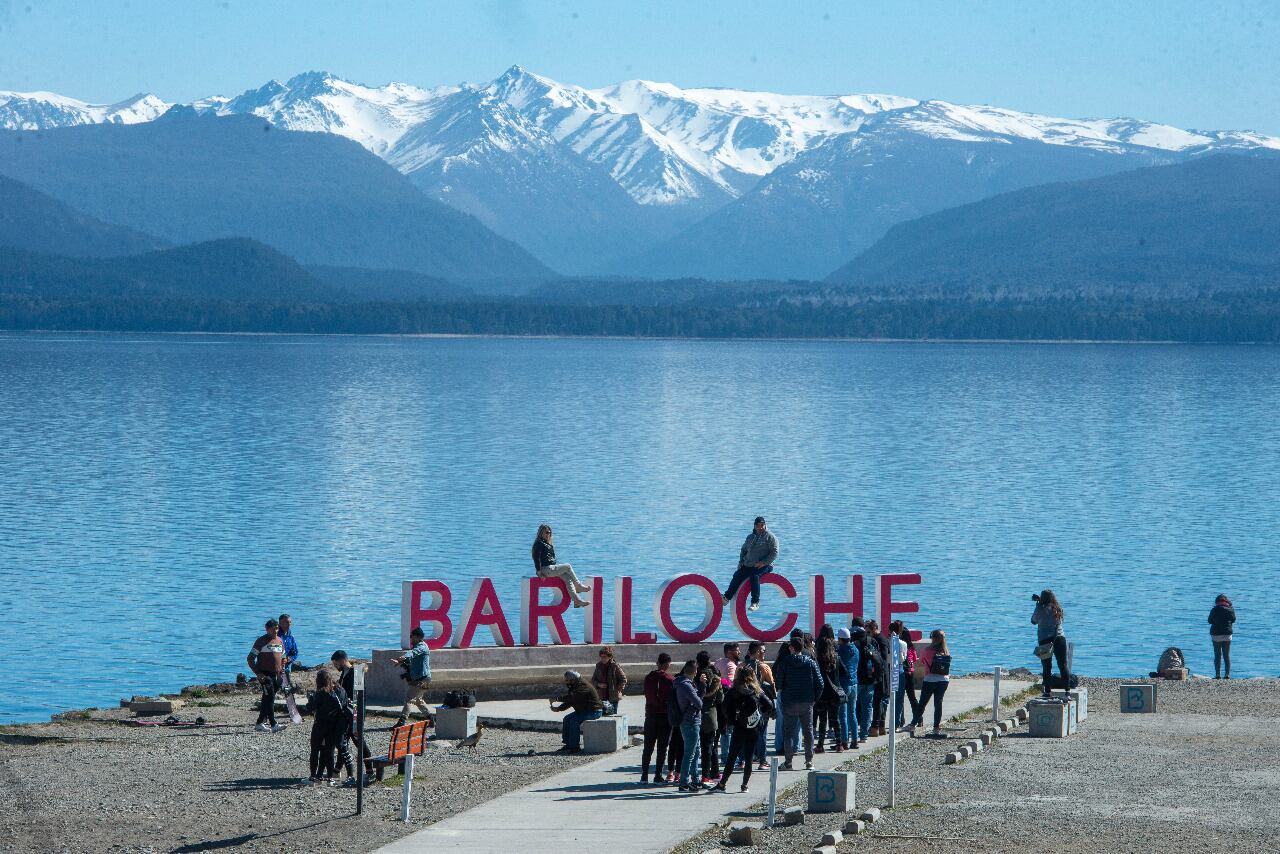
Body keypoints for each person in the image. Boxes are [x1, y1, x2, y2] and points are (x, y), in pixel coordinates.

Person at [714, 666, 774, 793]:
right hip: (754, 727)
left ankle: (722, 784)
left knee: (732, 756)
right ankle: (744, 785)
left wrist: (732, 720)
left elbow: (725, 707)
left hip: (739, 726)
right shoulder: (757, 690)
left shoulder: (734, 690)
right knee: (749, 757)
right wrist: (759, 714)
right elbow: (769, 704)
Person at [774, 635, 823, 771]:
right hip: (807, 701)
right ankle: (809, 761)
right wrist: (814, 699)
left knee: (788, 732)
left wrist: (782, 694)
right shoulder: (810, 662)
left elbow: (778, 683)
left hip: (789, 701)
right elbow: (820, 683)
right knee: (808, 732)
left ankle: (788, 762)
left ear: (791, 647)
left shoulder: (785, 662)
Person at [330, 650, 374, 783]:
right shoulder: (345, 673)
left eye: (335, 663)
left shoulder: (357, 672)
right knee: (344, 742)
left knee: (358, 742)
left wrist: (358, 716)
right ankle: (337, 770)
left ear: (342, 660)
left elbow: (360, 697)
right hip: (347, 714)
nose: (335, 666)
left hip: (355, 713)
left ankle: (370, 770)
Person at [722, 516, 779, 612]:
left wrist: (764, 562)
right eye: (758, 525)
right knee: (737, 575)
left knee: (754, 576)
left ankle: (755, 602)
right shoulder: (750, 537)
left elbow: (775, 552)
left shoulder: (770, 537)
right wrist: (741, 562)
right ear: (754, 526)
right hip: (748, 564)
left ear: (765, 525)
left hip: (765, 565)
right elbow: (743, 550)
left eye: (762, 525)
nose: (760, 527)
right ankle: (726, 598)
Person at [532, 524, 591, 608]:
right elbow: (536, 557)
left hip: (551, 568)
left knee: (568, 578)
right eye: (546, 532)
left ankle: (577, 601)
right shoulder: (539, 543)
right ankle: (578, 585)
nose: (548, 534)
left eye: (550, 532)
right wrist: (538, 571)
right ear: (541, 533)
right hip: (546, 569)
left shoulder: (547, 544)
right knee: (567, 566)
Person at [306, 668, 348, 784]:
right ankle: (330, 778)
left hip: (320, 724)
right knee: (329, 751)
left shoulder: (321, 692)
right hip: (334, 725)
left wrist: (310, 699)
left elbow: (310, 708)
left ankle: (313, 777)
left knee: (315, 750)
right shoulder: (340, 690)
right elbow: (344, 704)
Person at [247, 618, 288, 733]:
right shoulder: (261, 641)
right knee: (269, 698)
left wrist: (282, 668)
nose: (275, 631)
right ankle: (274, 724)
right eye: (272, 629)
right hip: (264, 675)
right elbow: (250, 659)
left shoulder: (280, 641)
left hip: (277, 675)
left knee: (267, 698)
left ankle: (259, 723)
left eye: (276, 628)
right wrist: (258, 673)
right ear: (266, 629)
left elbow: (283, 657)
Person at [741, 641, 776, 769]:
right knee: (762, 732)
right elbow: (772, 685)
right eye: (762, 651)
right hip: (761, 703)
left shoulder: (742, 666)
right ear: (757, 652)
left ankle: (744, 760)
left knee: (745, 731)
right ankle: (762, 761)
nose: (764, 653)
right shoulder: (764, 667)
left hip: (746, 703)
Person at [641, 653, 674, 784]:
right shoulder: (670, 680)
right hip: (664, 716)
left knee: (648, 746)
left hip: (650, 715)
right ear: (667, 665)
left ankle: (644, 775)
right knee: (662, 747)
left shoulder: (648, 677)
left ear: (657, 663)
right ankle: (658, 775)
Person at [1032, 590, 1071, 697]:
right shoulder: (1058, 608)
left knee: (1047, 666)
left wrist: (1037, 605)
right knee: (1063, 665)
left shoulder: (1040, 608)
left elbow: (1033, 621)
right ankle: (1067, 691)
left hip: (1045, 639)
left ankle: (1047, 692)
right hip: (1060, 638)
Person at [551, 670, 603, 752]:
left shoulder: (583, 686)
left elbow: (572, 697)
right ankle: (568, 744)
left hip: (594, 711)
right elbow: (571, 701)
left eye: (568, 680)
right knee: (567, 719)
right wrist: (558, 709)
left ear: (573, 679)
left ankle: (574, 746)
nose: (567, 682)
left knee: (574, 720)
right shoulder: (575, 686)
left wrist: (557, 699)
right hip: (584, 711)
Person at [913, 629, 951, 737]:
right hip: (943, 680)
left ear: (932, 638)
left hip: (930, 679)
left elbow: (921, 662)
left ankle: (912, 724)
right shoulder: (946, 651)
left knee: (922, 703)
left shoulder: (927, 650)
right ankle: (936, 728)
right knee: (938, 704)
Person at [772, 629, 804, 756]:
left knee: (781, 720)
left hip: (784, 690)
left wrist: (779, 687)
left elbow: (775, 669)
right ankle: (795, 746)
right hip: (801, 692)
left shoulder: (784, 652)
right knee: (797, 721)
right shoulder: (807, 653)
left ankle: (780, 746)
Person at [814, 636, 849, 752]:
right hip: (835, 693)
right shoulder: (836, 658)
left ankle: (820, 745)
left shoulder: (818, 660)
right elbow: (846, 673)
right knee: (835, 719)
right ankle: (839, 745)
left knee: (822, 720)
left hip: (822, 693)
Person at [673, 660, 704, 791]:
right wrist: (702, 687)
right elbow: (699, 703)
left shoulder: (680, 683)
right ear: (695, 671)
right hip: (690, 722)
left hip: (688, 721)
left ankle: (695, 779)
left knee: (696, 752)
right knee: (690, 753)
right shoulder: (687, 685)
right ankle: (684, 782)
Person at [393, 626, 433, 727]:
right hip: (425, 678)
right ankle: (431, 719)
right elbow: (412, 659)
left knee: (409, 699)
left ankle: (401, 722)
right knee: (419, 701)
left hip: (422, 678)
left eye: (413, 637)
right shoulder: (418, 646)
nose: (411, 639)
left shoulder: (422, 647)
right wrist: (399, 662)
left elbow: (412, 653)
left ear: (419, 637)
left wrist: (403, 657)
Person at [695, 651, 723, 784]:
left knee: (698, 747)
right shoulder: (715, 675)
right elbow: (720, 698)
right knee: (710, 746)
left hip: (695, 714)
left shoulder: (694, 674)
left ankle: (701, 774)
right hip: (711, 714)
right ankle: (712, 773)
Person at [852, 621, 880, 743]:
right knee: (868, 707)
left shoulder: (855, 644)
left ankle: (852, 732)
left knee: (852, 707)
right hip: (870, 679)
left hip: (857, 679)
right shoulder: (873, 642)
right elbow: (879, 659)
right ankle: (863, 735)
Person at [715, 642, 741, 765]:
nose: (739, 652)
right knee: (728, 732)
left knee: (721, 731)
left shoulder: (718, 662)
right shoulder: (731, 665)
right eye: (737, 650)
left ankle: (722, 756)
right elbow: (730, 684)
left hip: (718, 701)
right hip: (729, 702)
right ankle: (727, 757)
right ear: (729, 652)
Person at [892, 621, 920, 732]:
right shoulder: (911, 647)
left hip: (903, 672)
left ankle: (901, 719)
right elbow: (914, 659)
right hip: (910, 673)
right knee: (912, 697)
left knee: (900, 697)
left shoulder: (900, 645)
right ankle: (918, 717)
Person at [835, 627, 860, 748]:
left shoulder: (840, 651)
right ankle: (855, 740)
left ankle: (844, 741)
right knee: (852, 713)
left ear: (840, 639)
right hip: (854, 683)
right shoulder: (856, 650)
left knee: (842, 715)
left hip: (843, 684)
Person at [867, 619, 891, 737]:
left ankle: (875, 727)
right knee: (880, 701)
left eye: (868, 630)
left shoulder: (879, 640)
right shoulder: (883, 639)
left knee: (877, 701)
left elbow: (882, 658)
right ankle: (881, 726)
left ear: (873, 629)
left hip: (880, 674)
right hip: (883, 673)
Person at [592, 646, 628, 715]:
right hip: (602, 697)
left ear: (610, 657)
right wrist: (598, 684)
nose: (603, 659)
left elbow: (623, 679)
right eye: (601, 657)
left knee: (613, 715)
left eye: (605, 657)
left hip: (613, 698)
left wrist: (617, 690)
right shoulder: (598, 666)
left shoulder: (615, 666)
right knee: (602, 716)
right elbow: (593, 680)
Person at [1209, 594, 1236, 679]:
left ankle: (1217, 675)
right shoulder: (1230, 609)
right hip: (1227, 635)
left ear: (1217, 602)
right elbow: (1234, 620)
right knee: (1226, 655)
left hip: (1216, 635)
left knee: (1217, 655)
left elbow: (1210, 621)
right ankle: (1227, 674)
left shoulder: (1214, 610)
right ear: (1226, 601)